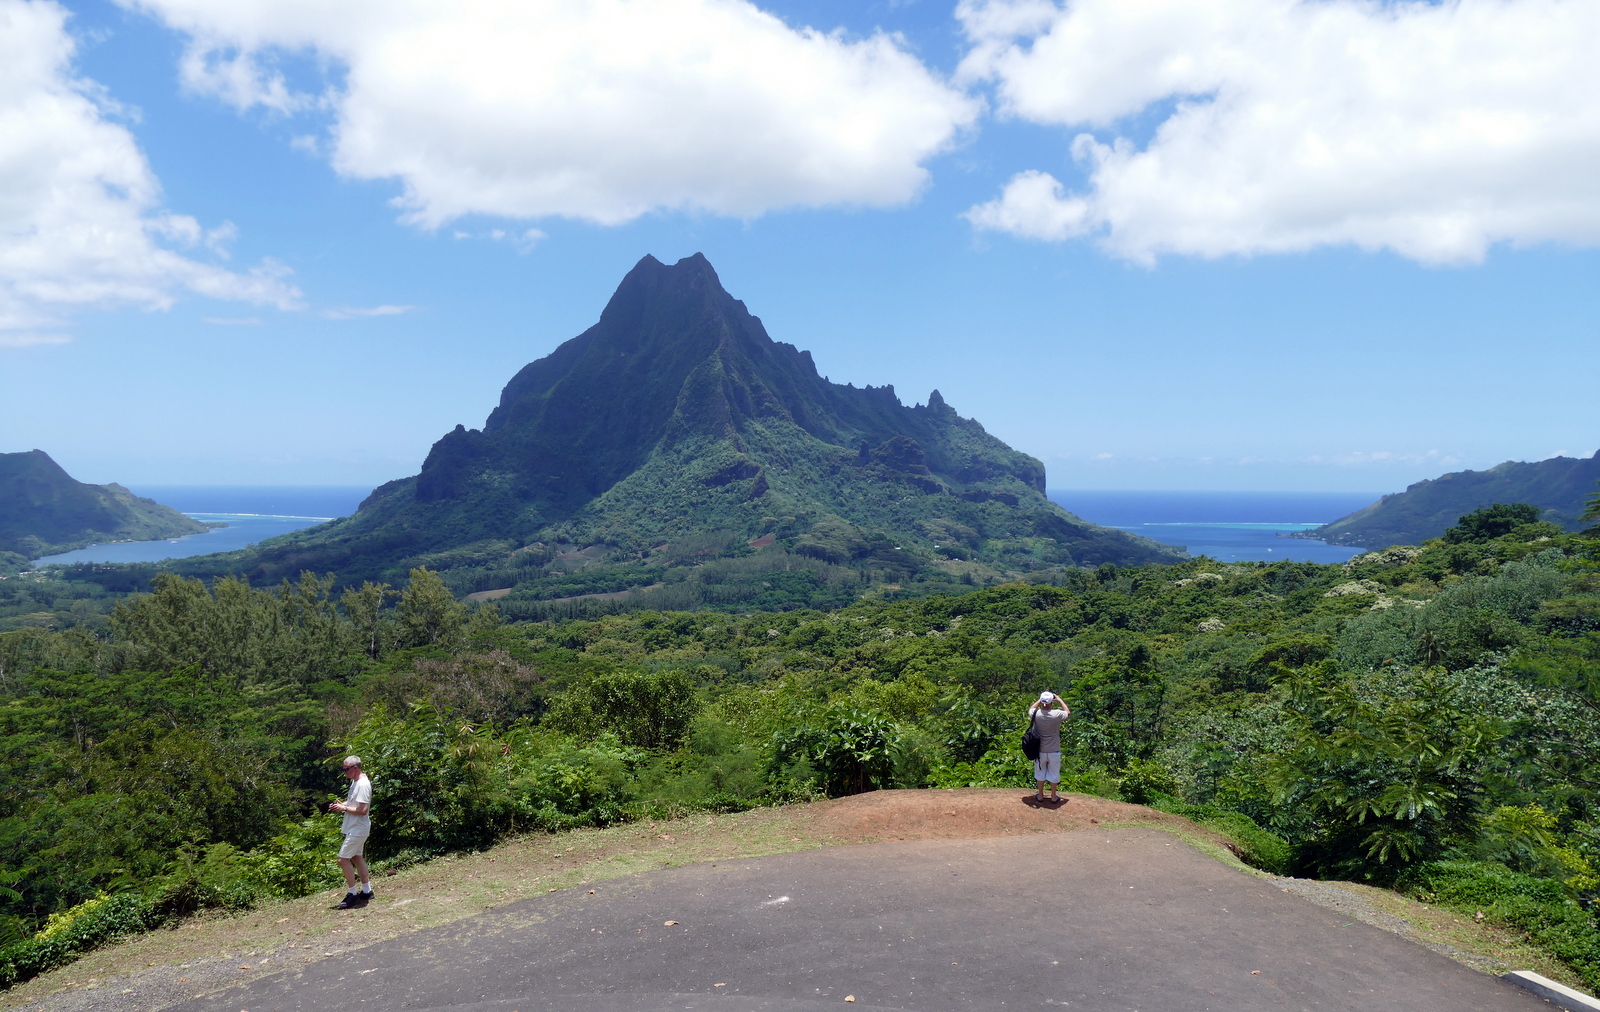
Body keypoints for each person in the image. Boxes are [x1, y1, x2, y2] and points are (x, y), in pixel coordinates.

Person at [328, 755, 373, 909]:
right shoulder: (356, 783)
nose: (344, 772)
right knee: (356, 857)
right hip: (356, 827)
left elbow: (363, 810)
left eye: (346, 769)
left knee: (342, 860)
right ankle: (367, 891)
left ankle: (352, 894)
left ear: (355, 768)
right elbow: (356, 802)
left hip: (358, 828)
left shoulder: (362, 785)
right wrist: (342, 805)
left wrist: (344, 808)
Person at [1028, 692, 1070, 804]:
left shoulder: (1036, 713)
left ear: (1042, 701)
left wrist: (1040, 700)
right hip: (1054, 750)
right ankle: (1053, 796)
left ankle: (1040, 795)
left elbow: (1031, 708)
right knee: (1054, 773)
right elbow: (1068, 713)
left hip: (1039, 750)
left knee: (1040, 772)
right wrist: (1059, 700)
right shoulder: (1056, 714)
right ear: (1052, 701)